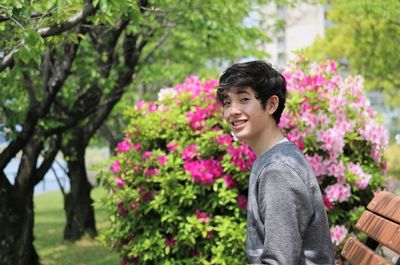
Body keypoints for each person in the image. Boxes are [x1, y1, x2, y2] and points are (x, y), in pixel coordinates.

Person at [217, 60, 335, 265]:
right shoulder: (274, 159)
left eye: (244, 99)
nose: (232, 111)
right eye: (227, 102)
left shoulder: (278, 171)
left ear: (271, 104)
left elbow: (279, 261)